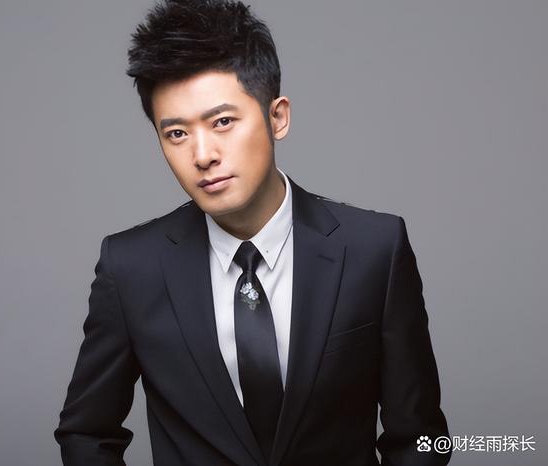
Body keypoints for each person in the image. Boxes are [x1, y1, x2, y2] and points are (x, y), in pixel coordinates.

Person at [54, 0, 451, 464]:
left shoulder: (374, 249)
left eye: (223, 122)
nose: (202, 155)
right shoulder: (131, 268)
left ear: (277, 117)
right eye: (177, 133)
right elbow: (86, 433)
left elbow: (421, 438)